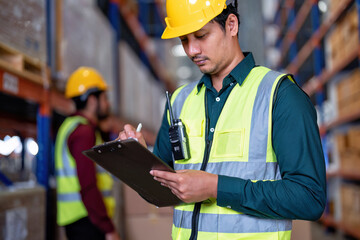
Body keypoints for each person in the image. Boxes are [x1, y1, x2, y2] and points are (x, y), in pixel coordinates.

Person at [118, 0, 326, 239]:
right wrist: (139, 159)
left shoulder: (279, 95)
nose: (192, 50)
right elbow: (160, 191)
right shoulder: (179, 102)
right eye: (184, 40)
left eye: (201, 36)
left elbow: (310, 198)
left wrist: (215, 187)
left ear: (231, 24)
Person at [55, 67, 120, 240]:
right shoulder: (84, 132)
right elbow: (88, 184)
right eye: (105, 98)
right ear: (92, 101)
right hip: (88, 222)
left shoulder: (71, 127)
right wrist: (108, 228)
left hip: (80, 220)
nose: (108, 104)